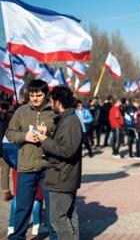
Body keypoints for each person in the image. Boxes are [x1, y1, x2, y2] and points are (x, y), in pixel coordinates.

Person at [6, 79, 57, 240]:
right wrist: (25, 136)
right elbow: (10, 133)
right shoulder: (21, 111)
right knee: (23, 206)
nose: (35, 98)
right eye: (32, 95)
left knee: (52, 206)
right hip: (26, 167)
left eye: (39, 95)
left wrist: (47, 134)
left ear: (46, 94)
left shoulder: (53, 112)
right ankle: (17, 237)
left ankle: (55, 236)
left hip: (48, 166)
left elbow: (60, 136)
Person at [35, 85, 82, 240]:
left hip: (62, 176)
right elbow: (63, 143)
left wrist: (44, 140)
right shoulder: (66, 119)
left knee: (58, 219)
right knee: (68, 215)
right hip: (63, 175)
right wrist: (46, 136)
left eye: (51, 101)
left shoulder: (70, 121)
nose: (50, 104)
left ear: (58, 102)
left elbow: (67, 150)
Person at [1, 101, 13, 201]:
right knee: (5, 170)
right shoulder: (10, 117)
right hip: (5, 147)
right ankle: (6, 192)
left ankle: (6, 191)